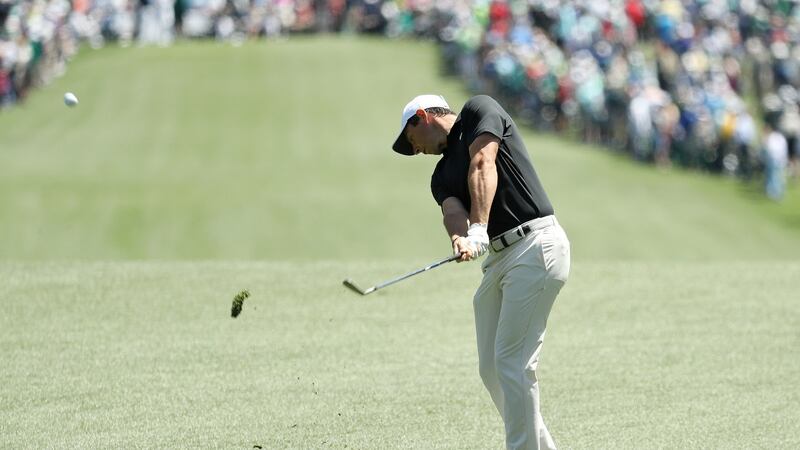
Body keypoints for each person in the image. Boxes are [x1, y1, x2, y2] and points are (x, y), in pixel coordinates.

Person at [391, 94, 571, 449]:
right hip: (499, 261)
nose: (417, 151)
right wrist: (460, 237)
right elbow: (451, 211)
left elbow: (482, 162)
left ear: (423, 117)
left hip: (535, 245)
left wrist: (478, 229)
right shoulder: (440, 175)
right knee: (492, 368)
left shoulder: (479, 110)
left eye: (413, 142)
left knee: (513, 363)